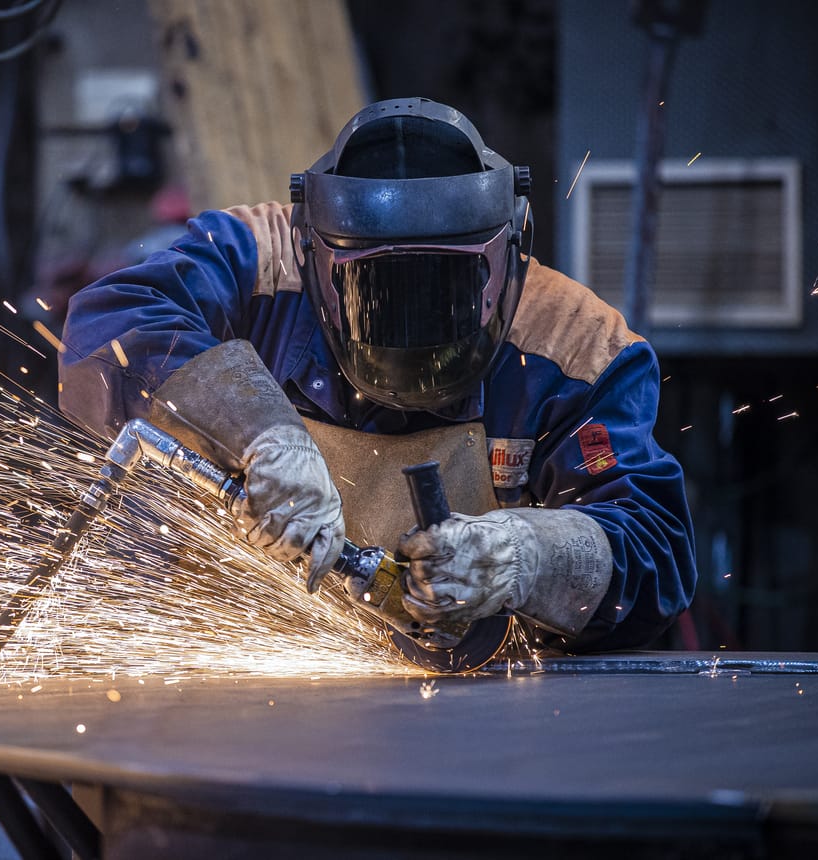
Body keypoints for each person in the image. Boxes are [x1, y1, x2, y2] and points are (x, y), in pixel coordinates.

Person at [56, 98, 696, 653]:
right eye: (374, 292)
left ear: (510, 248)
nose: (408, 329)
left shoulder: (578, 347)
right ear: (314, 248)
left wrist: (529, 557)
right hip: (233, 666)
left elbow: (654, 553)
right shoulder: (256, 260)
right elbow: (112, 321)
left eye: (444, 292)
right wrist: (260, 431)